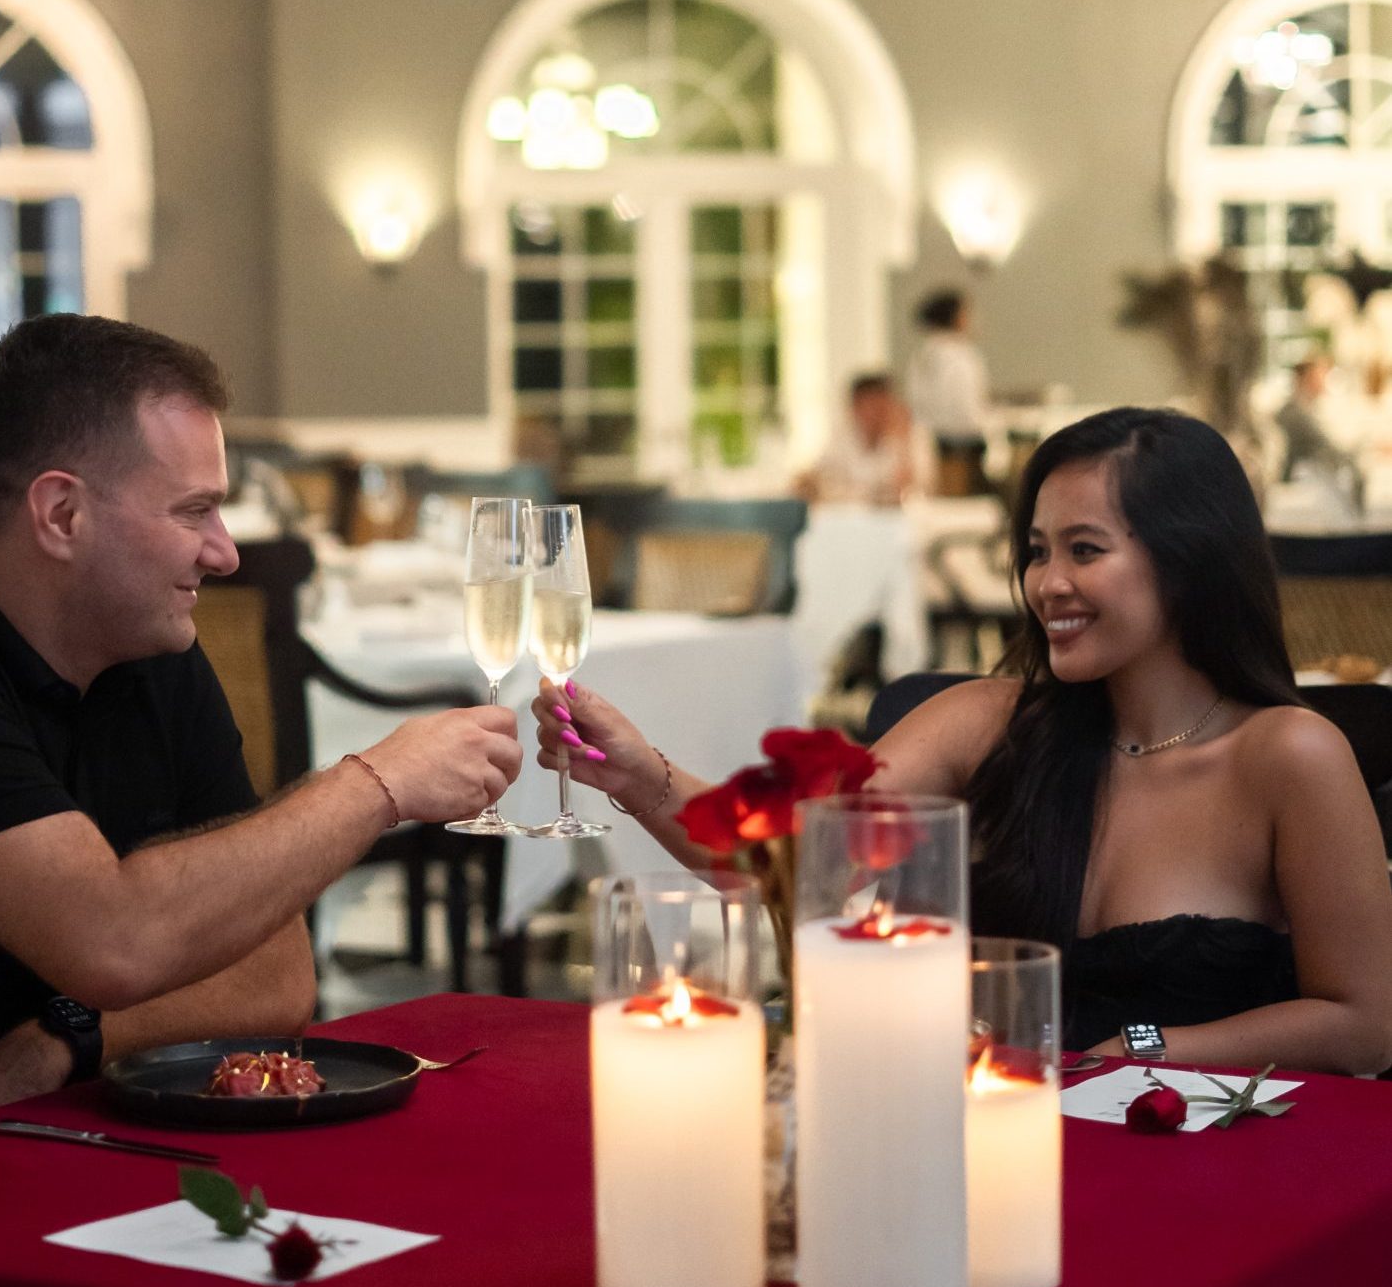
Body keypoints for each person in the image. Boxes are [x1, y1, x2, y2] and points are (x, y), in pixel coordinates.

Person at [0, 314, 521, 1185]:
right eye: (194, 510)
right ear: (61, 513)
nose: (226, 552)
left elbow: (277, 975)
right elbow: (115, 940)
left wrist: (61, 1039)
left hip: (26, 1157)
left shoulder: (149, 656)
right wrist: (377, 783)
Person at [532, 408, 1392, 1074]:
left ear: (1189, 559)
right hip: (989, 1130)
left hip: (1201, 1157)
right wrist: (636, 774)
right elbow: (786, 858)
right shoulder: (989, 723)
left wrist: (1143, 1050)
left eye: (1084, 550)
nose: (1047, 584)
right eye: (1036, 551)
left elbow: (1363, 1023)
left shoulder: (1288, 756)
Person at [794, 372, 931, 506]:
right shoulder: (843, 436)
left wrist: (903, 444)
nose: (877, 412)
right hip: (851, 517)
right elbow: (817, 476)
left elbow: (918, 488)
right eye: (870, 404)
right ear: (855, 407)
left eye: (883, 404)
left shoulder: (912, 436)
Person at [905, 290, 992, 496]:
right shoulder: (961, 356)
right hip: (959, 449)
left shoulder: (921, 356)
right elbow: (966, 409)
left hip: (928, 444)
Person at [1276, 354, 1363, 512]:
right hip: (1296, 488)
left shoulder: (1305, 409)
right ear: (1305, 379)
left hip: (1306, 484)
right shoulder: (1295, 414)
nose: (1324, 381)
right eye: (1320, 375)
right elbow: (1330, 447)